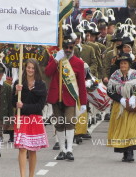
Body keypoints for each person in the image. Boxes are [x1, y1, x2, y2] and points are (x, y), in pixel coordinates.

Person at [45, 29, 87, 161]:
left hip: (70, 97)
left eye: (70, 47)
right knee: (59, 123)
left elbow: (81, 84)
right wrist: (56, 60)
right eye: (66, 47)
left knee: (69, 121)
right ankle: (62, 150)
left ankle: (70, 149)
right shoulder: (56, 58)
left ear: (73, 47)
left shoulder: (78, 63)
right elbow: (47, 72)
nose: (68, 50)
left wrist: (84, 102)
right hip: (56, 96)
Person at [12, 59, 49, 177]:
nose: (30, 70)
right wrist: (16, 92)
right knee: (22, 148)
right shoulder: (19, 83)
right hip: (21, 118)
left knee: (32, 150)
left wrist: (24, 106)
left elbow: (40, 106)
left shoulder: (41, 85)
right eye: (28, 67)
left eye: (33, 68)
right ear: (25, 68)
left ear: (36, 70)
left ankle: (31, 175)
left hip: (35, 119)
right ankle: (22, 175)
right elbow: (13, 103)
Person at [107, 53, 136, 162]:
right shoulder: (115, 75)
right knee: (121, 128)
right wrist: (120, 99)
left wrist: (133, 97)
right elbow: (110, 91)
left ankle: (130, 152)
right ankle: (124, 151)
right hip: (119, 106)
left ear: (129, 64)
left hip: (132, 106)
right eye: (121, 63)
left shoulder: (135, 75)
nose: (123, 65)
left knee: (131, 129)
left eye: (125, 63)